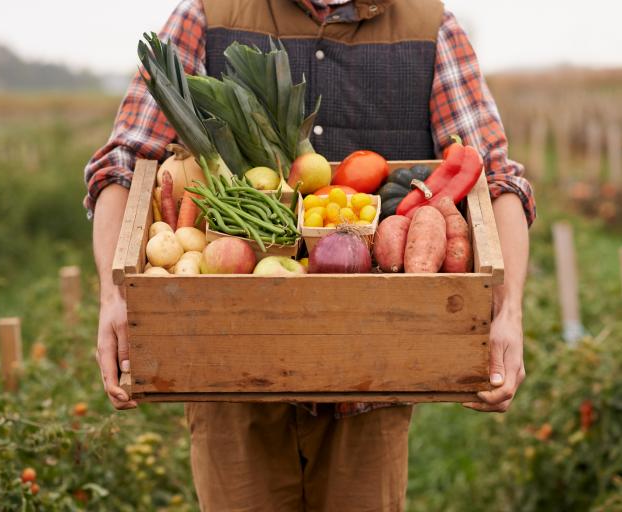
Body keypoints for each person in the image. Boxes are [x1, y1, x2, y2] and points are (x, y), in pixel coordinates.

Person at [85, 0, 535, 510]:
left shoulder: (429, 26)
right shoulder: (206, 15)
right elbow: (123, 166)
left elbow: (496, 181)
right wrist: (114, 295)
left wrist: (508, 311)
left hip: (374, 378)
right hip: (232, 376)